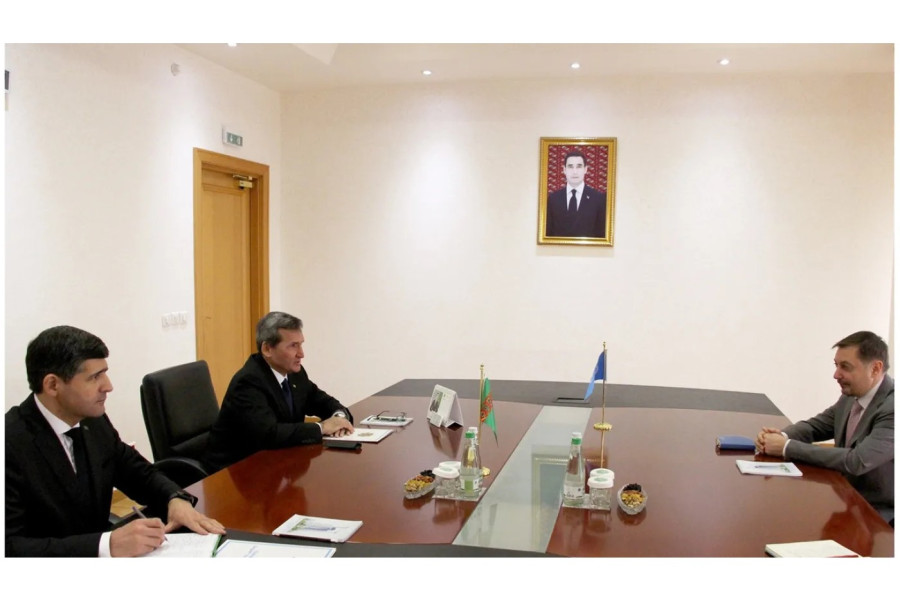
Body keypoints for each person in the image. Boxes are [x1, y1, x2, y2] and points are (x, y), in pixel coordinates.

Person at [5, 325, 226, 557]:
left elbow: (135, 471)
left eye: (104, 373)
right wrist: (105, 545)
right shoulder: (10, 443)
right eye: (94, 377)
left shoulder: (92, 421)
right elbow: (10, 547)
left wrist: (174, 498)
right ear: (52, 385)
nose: (108, 386)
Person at [755, 331, 894, 525]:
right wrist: (781, 435)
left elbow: (857, 460)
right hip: (844, 497)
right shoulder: (851, 395)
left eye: (845, 367)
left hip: (879, 516)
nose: (836, 375)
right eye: (836, 365)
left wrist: (786, 447)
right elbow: (816, 426)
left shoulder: (893, 408)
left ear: (875, 369)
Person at [202, 311, 354, 473]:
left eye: (301, 344)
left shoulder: (294, 373)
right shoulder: (248, 382)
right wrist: (322, 427)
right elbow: (269, 434)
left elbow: (322, 401)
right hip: (234, 471)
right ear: (267, 349)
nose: (301, 354)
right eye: (293, 346)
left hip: (276, 463)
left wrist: (339, 418)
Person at [545, 150, 608, 238]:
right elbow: (548, 234)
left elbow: (602, 235)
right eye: (570, 167)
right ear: (564, 170)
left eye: (579, 166)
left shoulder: (598, 199)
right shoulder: (553, 199)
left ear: (585, 169)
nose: (574, 172)